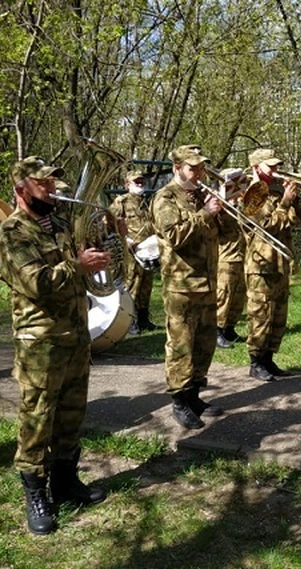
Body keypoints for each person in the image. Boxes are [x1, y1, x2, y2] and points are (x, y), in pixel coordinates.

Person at [0, 156, 108, 535]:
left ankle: (65, 480)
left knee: (72, 413)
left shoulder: (57, 224)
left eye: (54, 183)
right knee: (38, 419)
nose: (54, 189)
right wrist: (79, 265)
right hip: (40, 342)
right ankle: (35, 492)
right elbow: (37, 283)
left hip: (74, 335)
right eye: (45, 184)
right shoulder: (10, 234)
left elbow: (79, 267)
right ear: (22, 189)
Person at [152, 145, 223, 429]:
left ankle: (194, 394)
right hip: (181, 285)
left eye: (201, 167)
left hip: (207, 281)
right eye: (193, 168)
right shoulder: (165, 197)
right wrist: (206, 213)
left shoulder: (202, 194)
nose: (199, 173)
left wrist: (223, 211)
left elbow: (225, 234)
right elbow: (175, 235)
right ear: (177, 168)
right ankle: (179, 401)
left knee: (204, 343)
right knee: (181, 345)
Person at [244, 148, 301, 381]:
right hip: (262, 264)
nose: (276, 170)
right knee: (261, 314)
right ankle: (256, 361)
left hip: (280, 262)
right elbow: (267, 225)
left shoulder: (276, 189)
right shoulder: (252, 193)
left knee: (278, 314)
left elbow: (295, 220)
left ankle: (269, 358)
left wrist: (296, 199)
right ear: (257, 168)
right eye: (271, 166)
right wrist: (285, 203)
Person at [110, 169, 157, 332]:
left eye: (141, 181)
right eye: (136, 182)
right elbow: (109, 222)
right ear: (127, 184)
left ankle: (144, 319)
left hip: (147, 250)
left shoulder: (145, 201)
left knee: (146, 285)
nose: (140, 184)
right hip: (130, 251)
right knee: (132, 285)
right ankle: (130, 322)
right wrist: (125, 240)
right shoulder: (121, 201)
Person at [215, 170, 248, 349]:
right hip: (226, 257)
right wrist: (224, 200)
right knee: (224, 295)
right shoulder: (220, 206)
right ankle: (218, 330)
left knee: (238, 296)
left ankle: (230, 327)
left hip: (242, 256)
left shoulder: (241, 205)